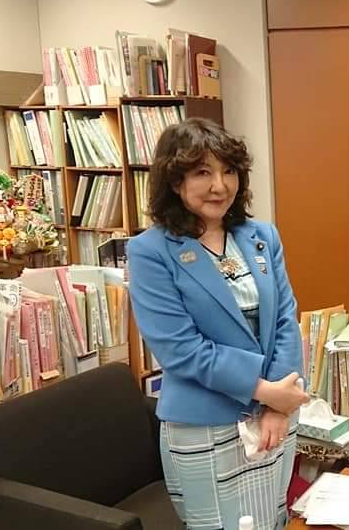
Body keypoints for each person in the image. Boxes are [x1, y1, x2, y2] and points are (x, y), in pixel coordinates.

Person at [128, 117, 309, 530]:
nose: (220, 185)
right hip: (204, 421)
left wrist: (277, 405)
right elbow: (180, 349)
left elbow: (285, 316)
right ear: (175, 180)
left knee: (272, 518)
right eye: (202, 173)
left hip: (275, 412)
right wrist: (265, 392)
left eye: (229, 171)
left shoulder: (261, 235)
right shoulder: (150, 251)